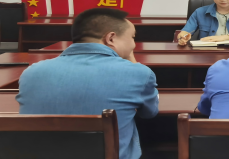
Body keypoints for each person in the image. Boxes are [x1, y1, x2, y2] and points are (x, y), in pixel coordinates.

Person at [17, 8, 159, 159]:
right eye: (132, 37)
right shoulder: (138, 74)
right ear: (111, 38)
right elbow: (149, 112)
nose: (133, 45)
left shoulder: (31, 72)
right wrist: (132, 62)